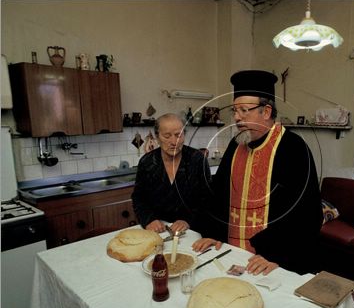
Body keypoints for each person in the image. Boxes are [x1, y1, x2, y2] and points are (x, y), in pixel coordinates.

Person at [193, 70, 323, 275]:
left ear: (266, 111)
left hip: (270, 258)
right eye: (235, 111)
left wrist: (276, 254)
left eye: (244, 110)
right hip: (232, 251)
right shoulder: (236, 146)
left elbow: (304, 213)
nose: (236, 117)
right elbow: (218, 196)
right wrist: (212, 233)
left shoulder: (293, 148)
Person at [132, 113, 211, 234]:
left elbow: (207, 198)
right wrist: (149, 220)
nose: (174, 141)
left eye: (178, 135)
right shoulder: (147, 162)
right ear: (157, 137)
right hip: (158, 230)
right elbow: (139, 198)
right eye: (167, 136)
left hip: (191, 230)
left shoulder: (197, 159)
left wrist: (187, 220)